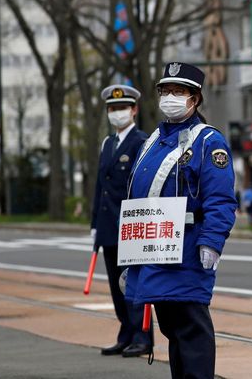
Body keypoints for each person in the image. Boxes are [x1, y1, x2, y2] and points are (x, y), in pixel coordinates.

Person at [124, 62, 237, 379]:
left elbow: (221, 198)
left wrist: (212, 241)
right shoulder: (153, 139)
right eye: (166, 91)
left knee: (191, 330)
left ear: (195, 98)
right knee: (174, 330)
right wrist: (129, 256)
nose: (170, 97)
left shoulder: (207, 141)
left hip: (186, 250)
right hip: (152, 249)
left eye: (179, 91)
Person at [90, 84, 153, 357]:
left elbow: (144, 185)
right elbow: (99, 187)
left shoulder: (142, 141)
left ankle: (142, 337)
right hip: (107, 227)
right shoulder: (107, 143)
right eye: (113, 109)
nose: (117, 113)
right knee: (116, 286)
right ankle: (125, 333)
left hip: (131, 226)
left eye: (122, 108)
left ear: (134, 110)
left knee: (134, 284)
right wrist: (94, 223)